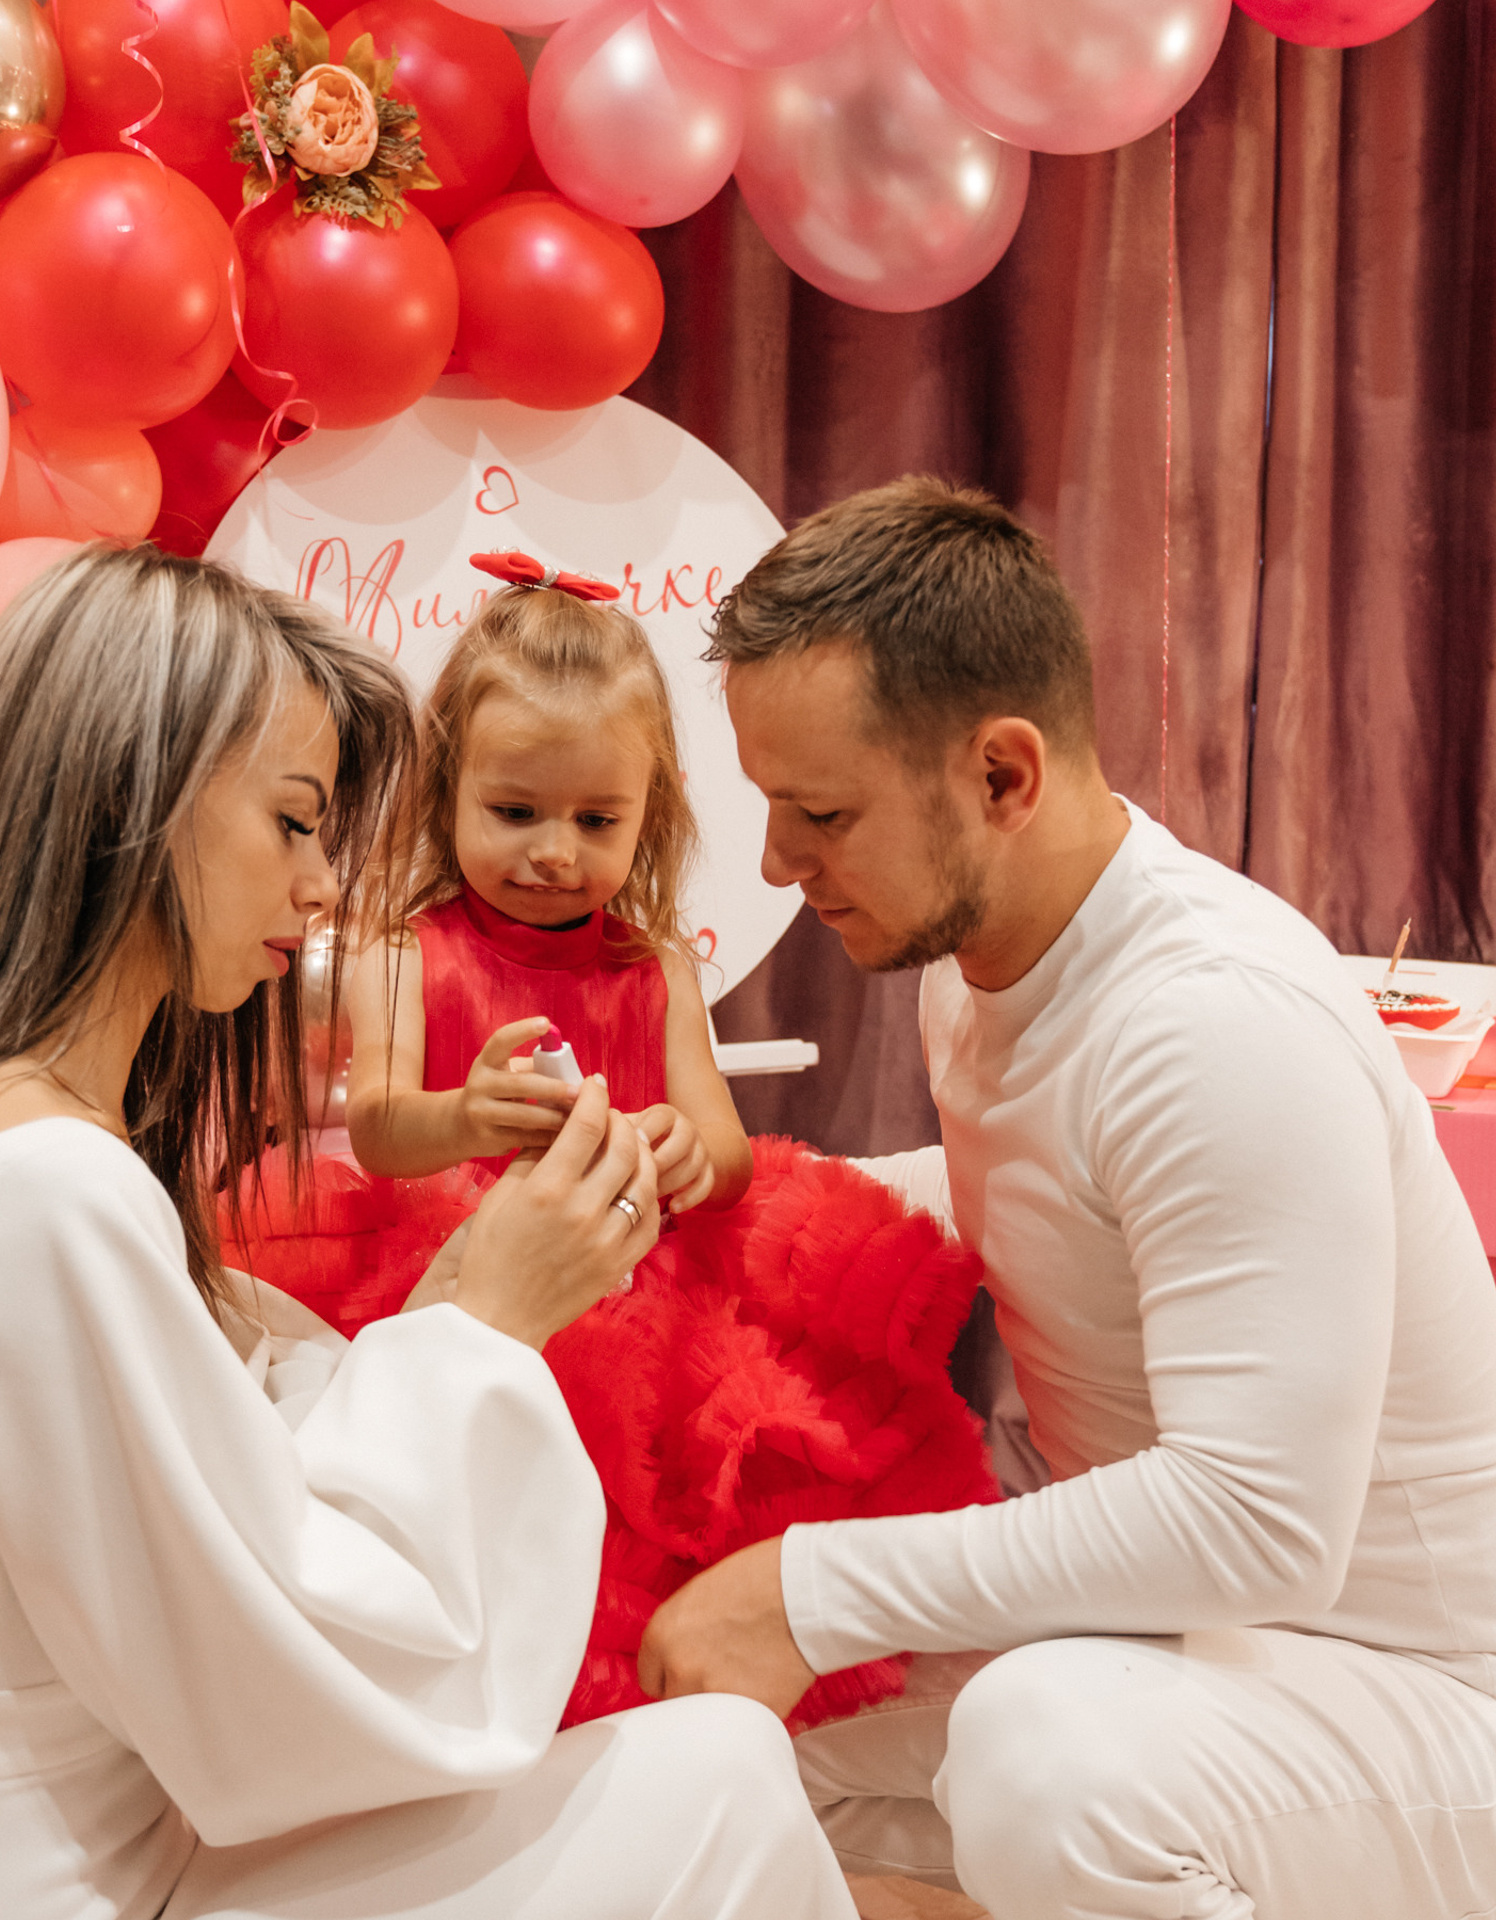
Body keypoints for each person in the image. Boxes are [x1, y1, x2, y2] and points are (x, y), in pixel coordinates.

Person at [0, 546, 856, 1920]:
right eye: (292, 824)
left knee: (721, 1764)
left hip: (110, 1856)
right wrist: (481, 1320)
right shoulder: (35, 1185)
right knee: (723, 1776)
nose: (326, 885)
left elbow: (210, 1534)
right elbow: (292, 1687)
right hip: (67, 1887)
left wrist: (465, 1289)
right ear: (136, 803)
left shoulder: (17, 1148)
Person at [640, 477, 1496, 1920]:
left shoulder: (1211, 1024)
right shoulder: (982, 968)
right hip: (1205, 1655)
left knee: (1044, 1759)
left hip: (1421, 1689)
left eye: (820, 814)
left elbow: (1256, 1525)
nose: (783, 866)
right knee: (731, 1787)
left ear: (1003, 776)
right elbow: (1055, 1207)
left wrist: (813, 1587)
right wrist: (694, 1209)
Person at [229, 563, 996, 1732]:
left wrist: (685, 1152)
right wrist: (468, 1114)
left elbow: (729, 1153)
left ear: (654, 811)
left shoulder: (653, 965)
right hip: (457, 1278)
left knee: (677, 1490)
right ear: (451, 790)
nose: (554, 853)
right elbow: (382, 1130)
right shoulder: (400, 945)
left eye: (597, 822)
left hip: (644, 1276)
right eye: (516, 812)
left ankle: (652, 1718)